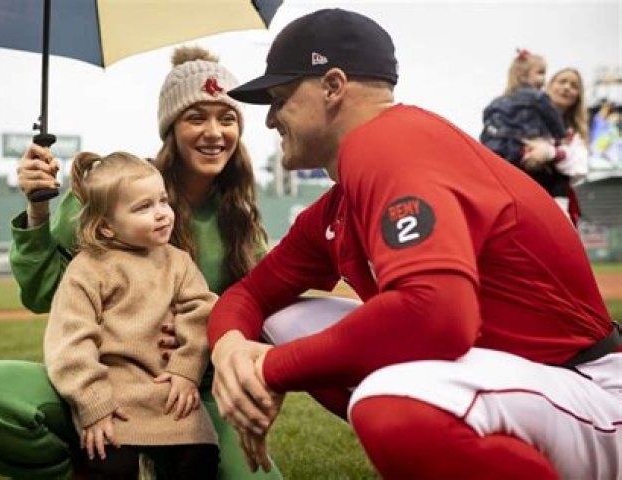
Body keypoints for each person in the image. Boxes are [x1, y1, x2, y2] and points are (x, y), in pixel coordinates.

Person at [206, 8, 622, 480]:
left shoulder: (390, 142)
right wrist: (231, 353)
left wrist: (271, 369)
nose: (270, 120)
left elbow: (437, 315)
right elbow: (250, 295)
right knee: (282, 319)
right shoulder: (344, 195)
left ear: (333, 86)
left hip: (586, 386)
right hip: (519, 384)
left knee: (393, 405)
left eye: (280, 99)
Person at [0, 46, 284, 480]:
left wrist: (197, 339)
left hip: (190, 394)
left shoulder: (243, 224)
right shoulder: (111, 193)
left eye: (227, 118)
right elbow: (42, 295)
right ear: (170, 127)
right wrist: (37, 210)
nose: (214, 132)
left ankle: (164, 456)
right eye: (196, 117)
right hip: (104, 380)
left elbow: (259, 317)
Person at [45, 151, 219, 479]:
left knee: (200, 459)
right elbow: (70, 341)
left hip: (171, 395)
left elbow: (201, 314)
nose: (162, 213)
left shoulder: (178, 262)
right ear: (106, 227)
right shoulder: (88, 268)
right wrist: (93, 404)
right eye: (143, 207)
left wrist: (186, 371)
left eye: (163, 201)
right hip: (113, 397)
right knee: (108, 461)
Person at [480, 49, 570, 200]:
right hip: (528, 155)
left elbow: (487, 125)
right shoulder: (538, 97)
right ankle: (561, 208)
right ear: (523, 76)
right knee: (557, 179)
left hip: (500, 158)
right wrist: (561, 137)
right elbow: (556, 124)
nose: (544, 78)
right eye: (540, 73)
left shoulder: (496, 103)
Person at [520, 68, 590, 224]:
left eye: (574, 85)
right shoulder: (525, 115)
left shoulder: (574, 131)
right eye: (562, 81)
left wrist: (551, 153)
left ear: (578, 96)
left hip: (557, 202)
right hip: (522, 194)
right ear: (549, 86)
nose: (567, 87)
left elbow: (579, 167)